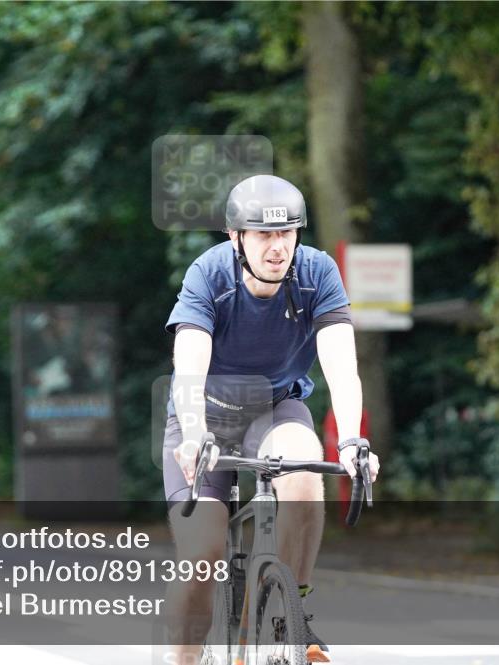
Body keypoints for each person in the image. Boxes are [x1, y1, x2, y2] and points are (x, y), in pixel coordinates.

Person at [161, 174, 380, 663]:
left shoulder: (317, 273)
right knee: (202, 559)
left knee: (304, 469)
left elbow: (342, 365)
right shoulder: (209, 275)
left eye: (287, 233)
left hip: (275, 407)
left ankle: (292, 618)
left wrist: (351, 442)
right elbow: (189, 364)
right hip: (206, 417)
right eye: (263, 234)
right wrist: (194, 435)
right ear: (236, 236)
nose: (278, 247)